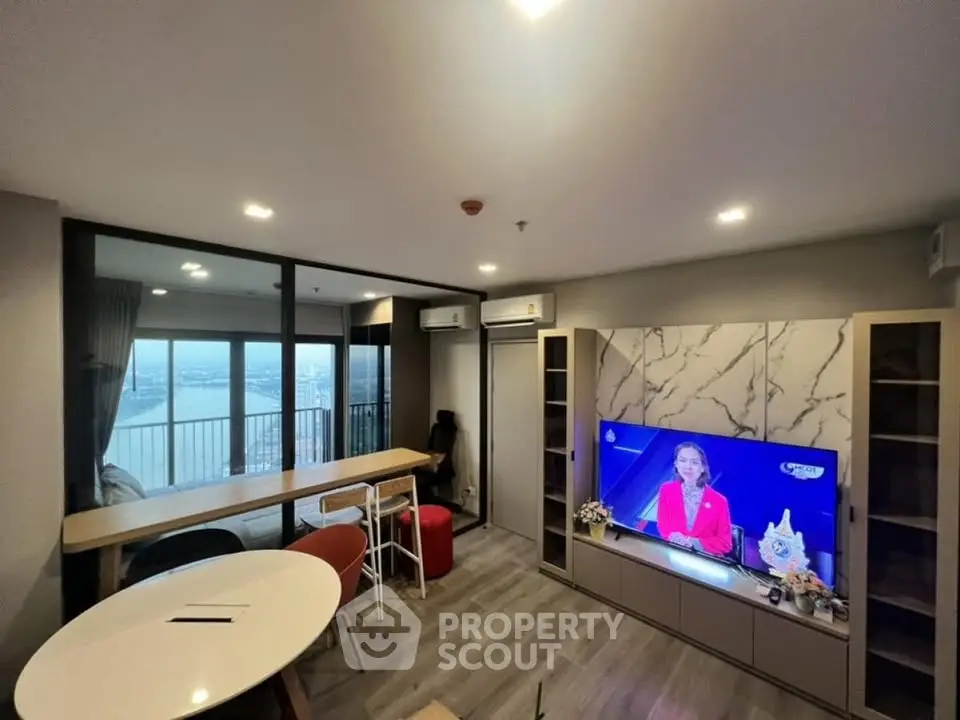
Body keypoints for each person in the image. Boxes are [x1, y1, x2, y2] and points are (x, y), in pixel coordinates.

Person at [653, 442, 732, 556]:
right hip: (672, 553)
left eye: (694, 462)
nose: (688, 467)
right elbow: (663, 525)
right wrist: (672, 537)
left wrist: (693, 543)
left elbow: (725, 543)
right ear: (676, 464)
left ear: (702, 468)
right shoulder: (667, 489)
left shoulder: (719, 501)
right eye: (682, 460)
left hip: (704, 561)